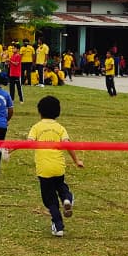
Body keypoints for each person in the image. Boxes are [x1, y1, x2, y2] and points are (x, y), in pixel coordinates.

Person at [27, 95, 84, 237]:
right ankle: (67, 199)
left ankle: (58, 226)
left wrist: (12, 148)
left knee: (50, 200)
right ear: (58, 112)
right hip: (58, 167)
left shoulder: (36, 127)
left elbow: (28, 143)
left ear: (39, 112)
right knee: (61, 186)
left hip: (43, 169)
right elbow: (68, 144)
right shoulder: (60, 128)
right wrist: (76, 160)